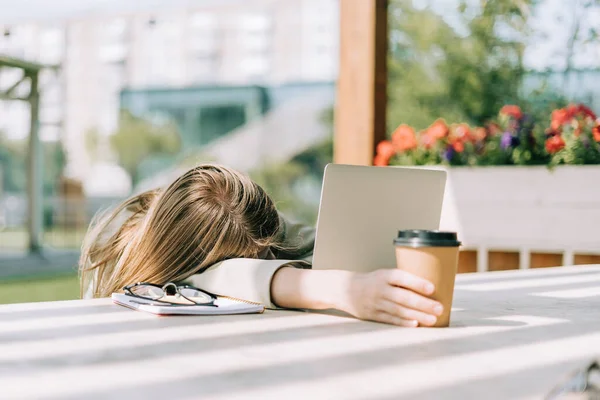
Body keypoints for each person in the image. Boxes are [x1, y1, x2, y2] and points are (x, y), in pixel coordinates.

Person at [80, 164, 443, 327]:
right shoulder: (139, 278)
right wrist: (337, 288)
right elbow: (214, 279)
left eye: (266, 255)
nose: (266, 259)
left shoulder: (254, 229)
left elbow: (305, 241)